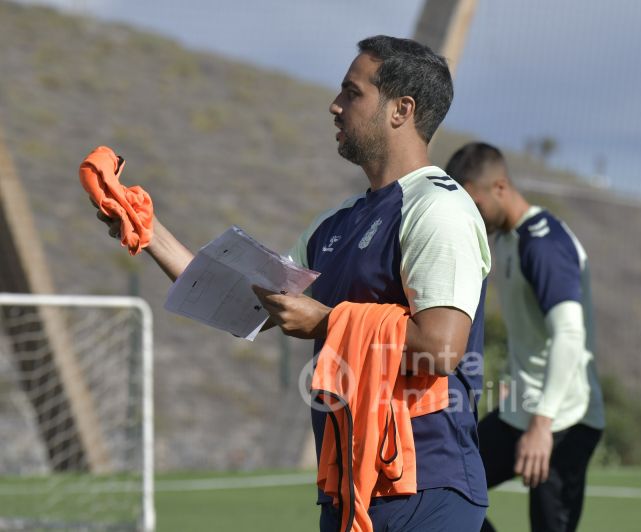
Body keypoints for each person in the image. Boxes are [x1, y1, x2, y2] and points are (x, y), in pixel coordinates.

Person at [95, 36, 491, 531]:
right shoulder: (335, 222)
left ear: (401, 109)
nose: (336, 105)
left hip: (427, 487)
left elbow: (442, 347)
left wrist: (325, 321)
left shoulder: (440, 208)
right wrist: (147, 231)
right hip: (350, 490)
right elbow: (248, 302)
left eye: (352, 92)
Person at [445, 142, 604, 532]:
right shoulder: (509, 238)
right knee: (443, 490)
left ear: (500, 187)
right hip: (523, 409)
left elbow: (569, 334)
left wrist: (542, 425)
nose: (473, 218)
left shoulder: (543, 243)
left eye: (476, 206)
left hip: (564, 420)